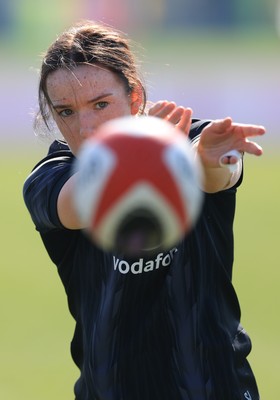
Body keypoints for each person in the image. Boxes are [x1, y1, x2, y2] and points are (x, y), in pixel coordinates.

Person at [23, 20, 265, 400]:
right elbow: (80, 204)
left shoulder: (191, 141)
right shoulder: (50, 178)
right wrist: (138, 154)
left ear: (135, 98)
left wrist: (215, 159)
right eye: (66, 112)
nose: (86, 128)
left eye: (101, 104)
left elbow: (214, 173)